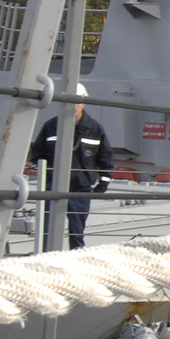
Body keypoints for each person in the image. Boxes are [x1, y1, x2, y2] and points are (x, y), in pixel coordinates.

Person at [27, 85, 113, 249]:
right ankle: (46, 258)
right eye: (69, 102)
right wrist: (43, 173)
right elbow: (38, 153)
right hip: (53, 187)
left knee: (77, 231)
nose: (73, 106)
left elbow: (106, 158)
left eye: (77, 102)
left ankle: (75, 260)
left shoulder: (94, 129)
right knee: (47, 230)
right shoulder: (50, 127)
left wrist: (103, 184)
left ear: (83, 103)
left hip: (80, 189)